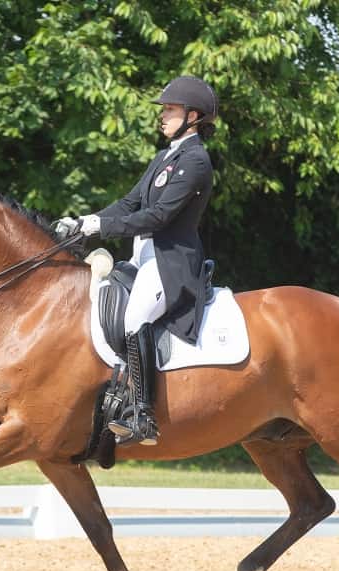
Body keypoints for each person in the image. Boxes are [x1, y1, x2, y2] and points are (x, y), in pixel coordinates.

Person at [57, 75, 217, 447]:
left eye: (170, 110)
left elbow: (159, 217)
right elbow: (130, 203)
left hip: (170, 263)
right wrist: (86, 222)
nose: (162, 116)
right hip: (142, 258)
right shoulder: (165, 157)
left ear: (193, 116)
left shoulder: (196, 161)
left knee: (135, 318)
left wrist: (102, 227)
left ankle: (143, 414)